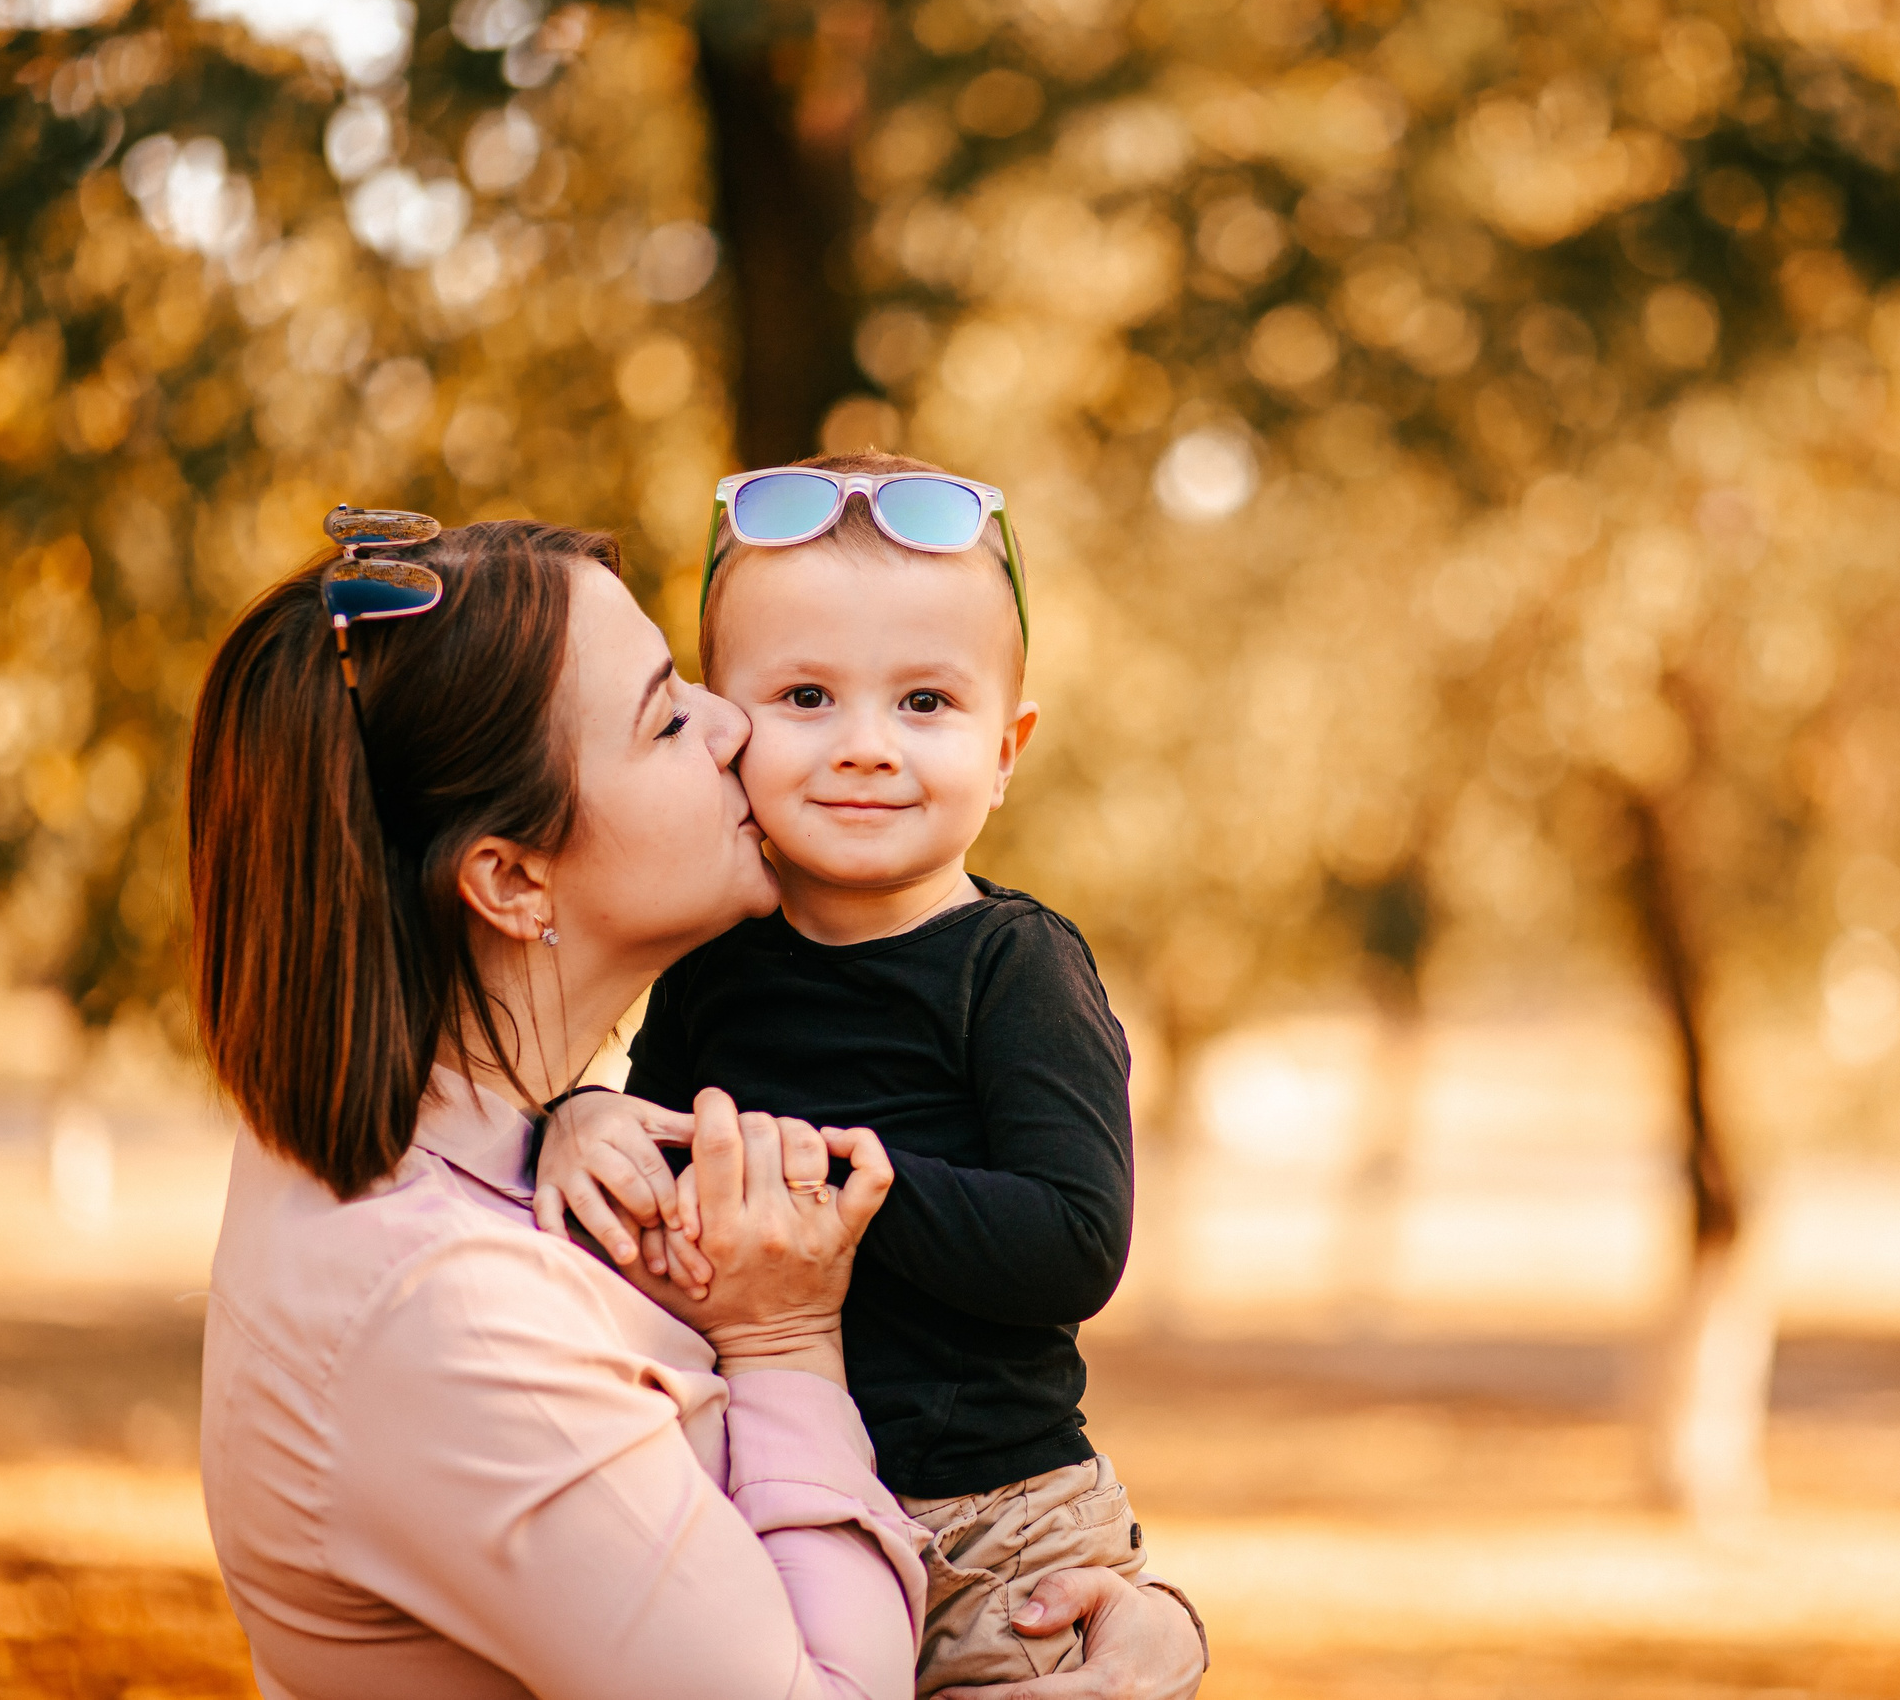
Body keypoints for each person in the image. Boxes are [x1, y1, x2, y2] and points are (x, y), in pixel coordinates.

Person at [186, 513, 1207, 1699]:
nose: (738, 727)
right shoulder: (447, 1311)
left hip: (1002, 1544)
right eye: (672, 712)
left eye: (923, 702)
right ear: (512, 880)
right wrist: (786, 1339)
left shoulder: (464, 1163)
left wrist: (1152, 1625)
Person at [533, 455, 1172, 1696]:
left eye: (926, 704)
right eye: (808, 696)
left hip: (998, 1531)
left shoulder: (1013, 966)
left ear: (1007, 749)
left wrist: (841, 1188)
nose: (867, 747)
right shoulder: (716, 966)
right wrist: (583, 1114)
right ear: (726, 728)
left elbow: (1075, 1243)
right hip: (769, 1494)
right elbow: (663, 1158)